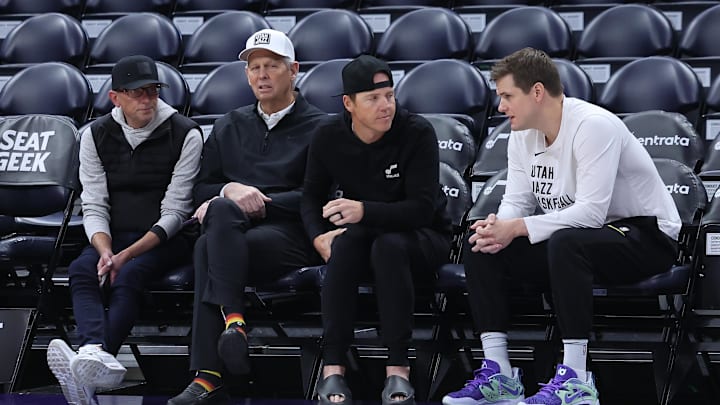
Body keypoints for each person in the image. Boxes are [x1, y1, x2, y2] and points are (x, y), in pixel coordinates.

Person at [442, 47, 681, 405]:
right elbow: (518, 201)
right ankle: (499, 373)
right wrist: (499, 227)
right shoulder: (522, 133)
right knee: (483, 242)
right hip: (576, 240)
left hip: (645, 235)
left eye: (508, 96)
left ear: (537, 92)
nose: (501, 107)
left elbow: (591, 215)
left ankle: (577, 378)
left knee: (567, 242)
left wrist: (518, 227)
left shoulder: (593, 126)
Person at [167, 29, 327, 405]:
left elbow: (319, 197)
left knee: (209, 246)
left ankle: (210, 372)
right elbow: (204, 188)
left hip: (290, 237)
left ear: (294, 70)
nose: (262, 75)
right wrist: (229, 192)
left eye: (272, 66)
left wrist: (258, 201)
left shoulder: (322, 127)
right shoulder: (228, 124)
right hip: (232, 235)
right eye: (254, 67)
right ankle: (233, 325)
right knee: (217, 224)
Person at [46, 55, 203, 405]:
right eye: (137, 93)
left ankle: (91, 359)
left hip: (167, 238)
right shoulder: (95, 135)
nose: (147, 99)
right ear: (116, 98)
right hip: (114, 237)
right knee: (81, 269)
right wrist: (105, 251)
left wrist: (125, 256)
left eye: (152, 91)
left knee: (128, 274)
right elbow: (95, 204)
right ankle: (92, 357)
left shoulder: (185, 132)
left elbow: (177, 211)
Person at [302, 54, 452, 405]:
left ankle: (398, 371)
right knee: (348, 243)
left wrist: (363, 210)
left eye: (389, 96)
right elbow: (309, 197)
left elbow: (421, 209)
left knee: (388, 246)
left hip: (425, 235)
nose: (385, 106)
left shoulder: (416, 132)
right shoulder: (328, 136)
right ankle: (333, 369)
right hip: (365, 234)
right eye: (373, 98)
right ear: (348, 103)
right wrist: (317, 236)